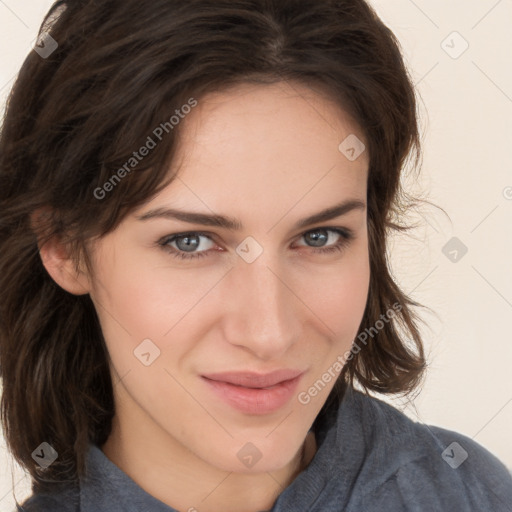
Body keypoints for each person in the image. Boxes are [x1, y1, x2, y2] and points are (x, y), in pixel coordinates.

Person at [0, 0, 511, 511]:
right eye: (190, 242)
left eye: (319, 237)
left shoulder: (469, 492)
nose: (270, 333)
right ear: (65, 247)